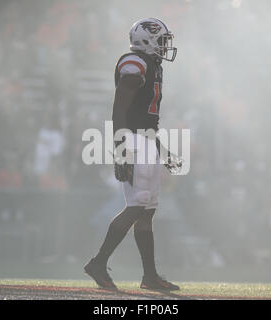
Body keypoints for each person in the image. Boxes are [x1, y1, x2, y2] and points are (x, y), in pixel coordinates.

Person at [84, 18, 181, 291]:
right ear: (147, 39)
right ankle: (98, 262)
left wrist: (163, 150)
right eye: (161, 40)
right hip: (134, 141)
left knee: (147, 210)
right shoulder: (134, 62)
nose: (164, 46)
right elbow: (119, 109)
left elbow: (148, 120)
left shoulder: (152, 66)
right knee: (137, 206)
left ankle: (149, 276)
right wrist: (120, 150)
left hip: (146, 140)